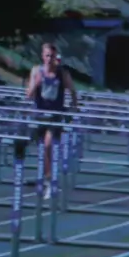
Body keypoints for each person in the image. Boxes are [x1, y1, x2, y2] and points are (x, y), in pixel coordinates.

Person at [26, 43, 76, 196]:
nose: (49, 59)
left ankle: (48, 179)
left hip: (55, 115)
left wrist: (74, 106)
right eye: (47, 55)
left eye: (52, 56)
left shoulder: (62, 73)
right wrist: (37, 83)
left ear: (55, 57)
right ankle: (45, 176)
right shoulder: (36, 71)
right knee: (41, 148)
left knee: (48, 145)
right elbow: (28, 95)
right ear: (42, 56)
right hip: (39, 115)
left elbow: (72, 90)